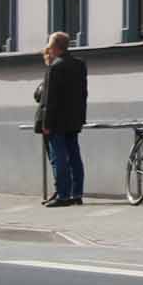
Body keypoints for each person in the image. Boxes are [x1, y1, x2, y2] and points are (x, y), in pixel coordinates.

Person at [38, 31, 88, 206]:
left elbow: (49, 99)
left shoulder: (55, 67)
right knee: (74, 156)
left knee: (58, 157)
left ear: (54, 47)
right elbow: (83, 94)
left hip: (57, 120)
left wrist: (46, 123)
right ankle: (77, 193)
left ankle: (63, 195)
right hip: (74, 118)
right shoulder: (79, 65)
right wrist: (81, 117)